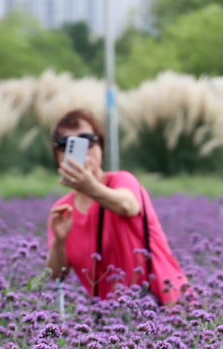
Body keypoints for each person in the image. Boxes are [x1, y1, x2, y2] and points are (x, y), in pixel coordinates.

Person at [44, 109, 188, 307]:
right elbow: (55, 276)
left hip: (167, 309)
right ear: (57, 155)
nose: (81, 150)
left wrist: (92, 187)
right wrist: (60, 242)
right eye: (65, 145)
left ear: (101, 148)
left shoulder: (121, 181)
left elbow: (128, 206)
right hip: (113, 325)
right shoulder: (62, 210)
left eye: (87, 141)